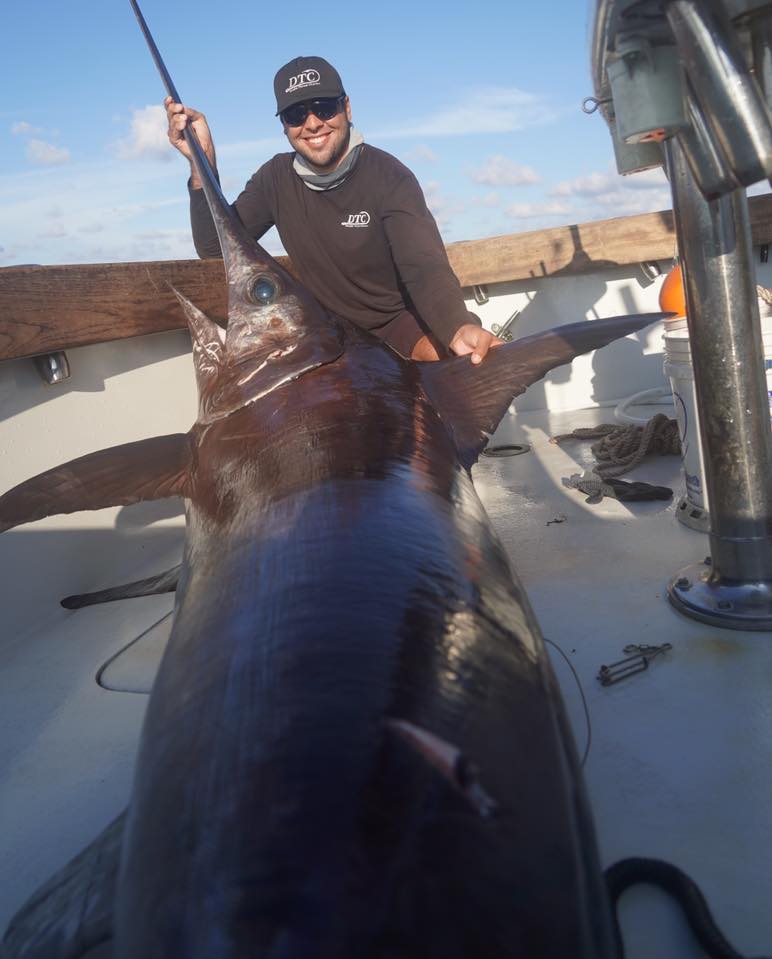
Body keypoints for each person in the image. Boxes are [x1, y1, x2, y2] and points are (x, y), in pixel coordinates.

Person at [165, 56, 502, 363]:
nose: (312, 123)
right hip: (324, 334)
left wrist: (458, 327)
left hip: (396, 325)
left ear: (347, 108)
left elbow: (424, 268)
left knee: (451, 364)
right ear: (284, 125)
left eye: (324, 108)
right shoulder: (274, 179)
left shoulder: (390, 177)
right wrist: (201, 163)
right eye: (296, 114)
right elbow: (214, 248)